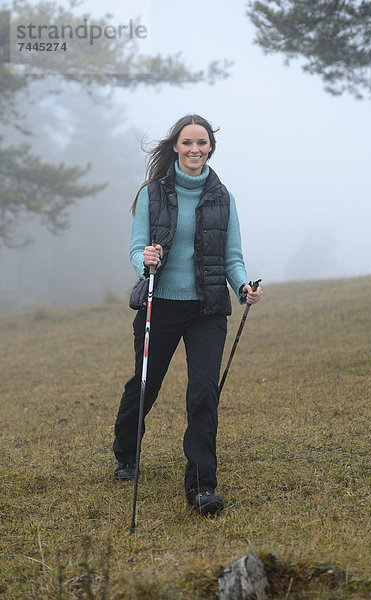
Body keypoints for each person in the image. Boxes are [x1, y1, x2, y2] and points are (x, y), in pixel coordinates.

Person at [113, 114, 262, 515]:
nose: (195, 149)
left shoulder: (222, 196)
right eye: (188, 143)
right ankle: (126, 451)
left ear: (210, 147)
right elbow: (135, 248)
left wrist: (244, 286)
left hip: (207, 308)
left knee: (203, 393)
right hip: (158, 305)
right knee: (145, 386)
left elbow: (232, 257)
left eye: (202, 143)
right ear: (175, 147)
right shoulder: (152, 193)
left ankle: (201, 486)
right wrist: (144, 257)